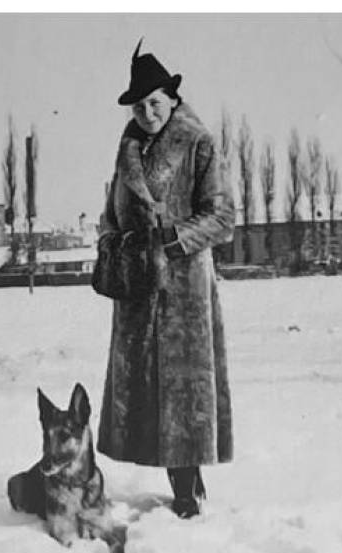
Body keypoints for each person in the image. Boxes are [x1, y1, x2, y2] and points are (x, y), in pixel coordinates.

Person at [96, 40, 235, 519]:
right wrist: (111, 243)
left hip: (183, 293)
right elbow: (111, 210)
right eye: (139, 104)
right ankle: (183, 479)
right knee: (144, 389)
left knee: (181, 390)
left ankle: (185, 490)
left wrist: (169, 242)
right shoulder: (128, 146)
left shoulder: (198, 142)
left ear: (173, 98)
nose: (147, 111)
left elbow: (222, 218)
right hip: (136, 284)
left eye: (154, 101)